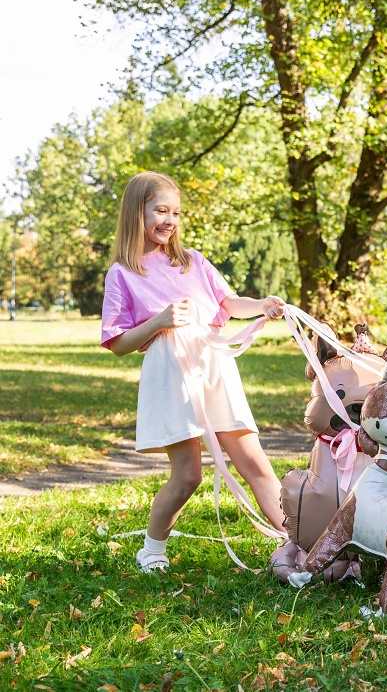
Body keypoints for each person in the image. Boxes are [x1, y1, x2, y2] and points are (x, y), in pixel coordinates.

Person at [100, 171, 287, 572]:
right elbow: (117, 343)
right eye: (160, 211)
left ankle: (300, 543)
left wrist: (262, 305)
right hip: (171, 373)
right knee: (188, 476)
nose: (169, 220)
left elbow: (229, 303)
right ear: (136, 212)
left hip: (213, 364)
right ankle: (152, 550)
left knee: (254, 462)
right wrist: (158, 322)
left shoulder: (192, 261)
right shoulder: (122, 273)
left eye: (175, 212)